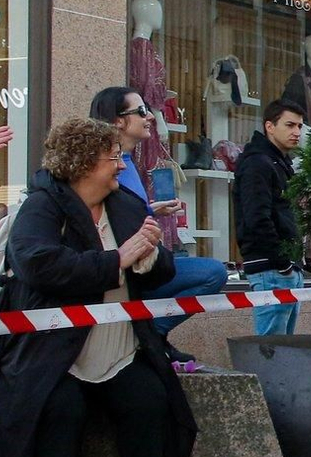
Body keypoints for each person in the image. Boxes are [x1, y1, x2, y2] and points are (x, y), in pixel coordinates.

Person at [0, 118, 197, 457]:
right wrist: (117, 258)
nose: (120, 166)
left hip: (117, 343)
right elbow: (40, 265)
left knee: (149, 399)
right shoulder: (42, 207)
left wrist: (147, 259)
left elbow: (161, 269)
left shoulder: (127, 204)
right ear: (81, 164)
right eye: (111, 158)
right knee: (60, 408)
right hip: (53, 348)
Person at [89, 87, 228, 368]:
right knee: (213, 273)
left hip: (140, 263)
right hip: (125, 269)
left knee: (203, 269)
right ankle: (151, 334)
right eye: (141, 111)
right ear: (117, 121)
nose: (150, 117)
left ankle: (151, 333)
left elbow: (118, 211)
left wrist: (150, 209)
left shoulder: (126, 161)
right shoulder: (105, 164)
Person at [233, 99, 306, 336]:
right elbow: (257, 218)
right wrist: (282, 262)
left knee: (282, 351)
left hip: (284, 268)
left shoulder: (277, 163)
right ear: (269, 126)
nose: (296, 132)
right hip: (272, 269)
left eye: (299, 126)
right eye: (290, 125)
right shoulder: (258, 163)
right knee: (271, 351)